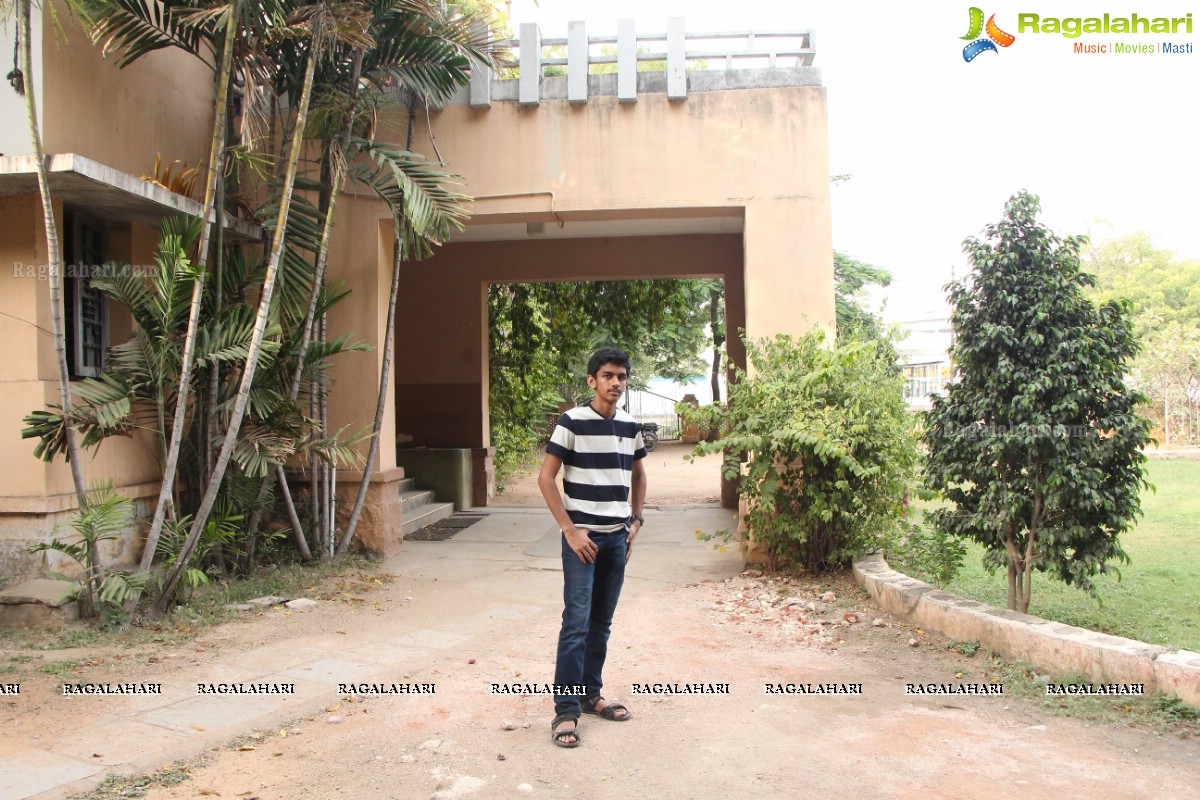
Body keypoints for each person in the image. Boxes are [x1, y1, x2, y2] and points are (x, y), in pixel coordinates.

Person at [538, 346, 647, 748]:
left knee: (601, 622)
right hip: (581, 540)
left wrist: (635, 521)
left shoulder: (630, 426)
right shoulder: (572, 422)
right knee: (576, 624)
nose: (615, 383)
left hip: (617, 539)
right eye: (607, 376)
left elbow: (639, 474)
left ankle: (590, 695)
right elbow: (546, 479)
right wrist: (569, 531)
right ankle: (565, 711)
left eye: (621, 376)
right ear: (592, 381)